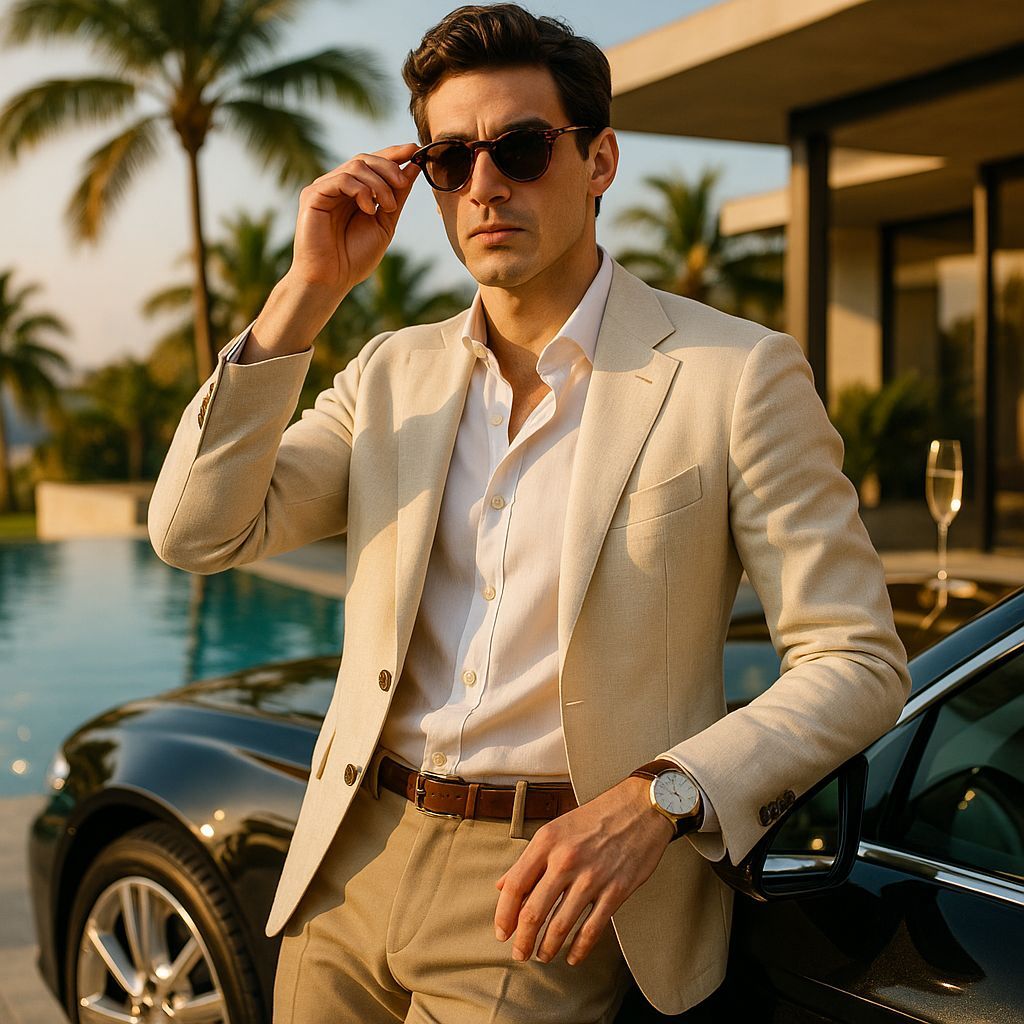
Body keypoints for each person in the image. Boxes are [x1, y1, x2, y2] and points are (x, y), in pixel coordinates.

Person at [148, 4, 911, 1021]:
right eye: (449, 159)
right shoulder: (390, 374)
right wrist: (306, 291)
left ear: (599, 161)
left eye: (517, 146)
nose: (483, 184)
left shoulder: (735, 376)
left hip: (543, 887)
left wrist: (661, 798)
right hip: (350, 858)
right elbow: (197, 531)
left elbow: (856, 659)